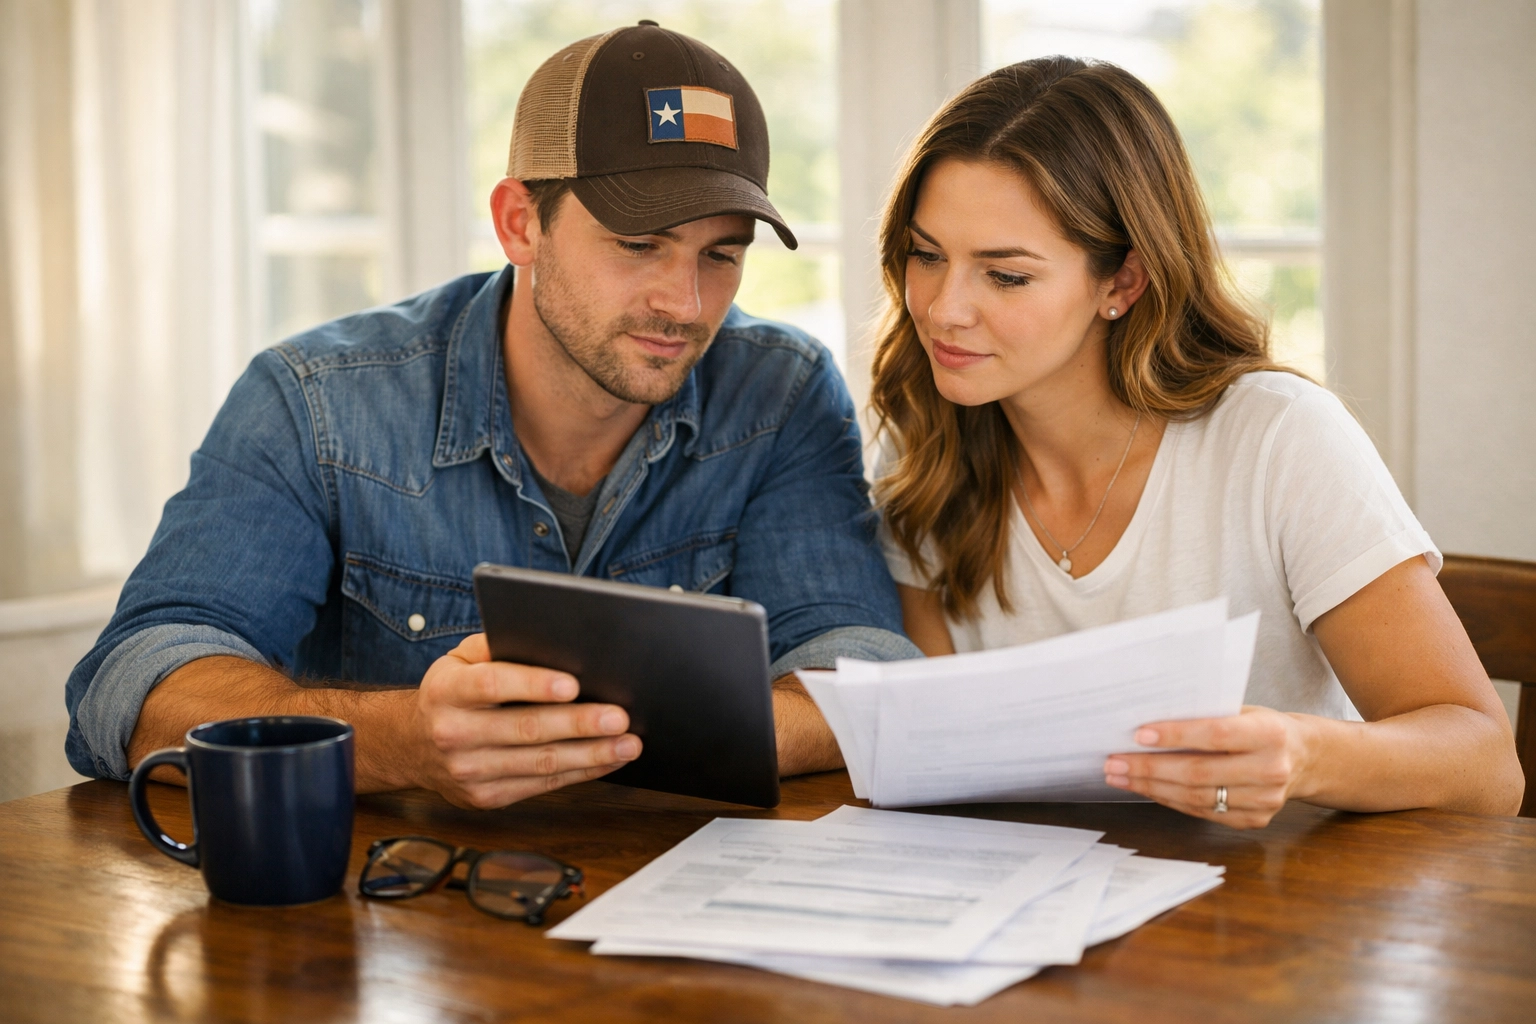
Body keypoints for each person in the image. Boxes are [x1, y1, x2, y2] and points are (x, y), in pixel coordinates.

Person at [65, 21, 911, 808]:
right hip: (385, 922)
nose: (685, 304)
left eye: (720, 255)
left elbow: (860, 670)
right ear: (520, 223)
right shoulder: (318, 399)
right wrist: (403, 742)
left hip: (680, 911)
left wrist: (585, 743)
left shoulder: (781, 392)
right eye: (639, 244)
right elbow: (135, 684)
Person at [870, 56, 1523, 828]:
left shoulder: (1278, 438)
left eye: (1005, 276)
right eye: (926, 255)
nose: (944, 310)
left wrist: (1302, 753)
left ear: (1123, 282)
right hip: (1042, 905)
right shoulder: (924, 440)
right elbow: (940, 767)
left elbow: (1488, 769)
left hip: (1281, 912)